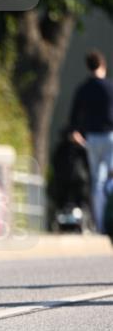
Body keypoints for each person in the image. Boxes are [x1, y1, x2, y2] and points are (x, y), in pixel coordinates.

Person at [68, 50, 113, 234]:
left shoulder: (83, 89)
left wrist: (76, 134)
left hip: (92, 138)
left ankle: (102, 225)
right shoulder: (110, 87)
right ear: (103, 65)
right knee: (110, 178)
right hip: (110, 136)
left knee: (97, 181)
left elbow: (73, 119)